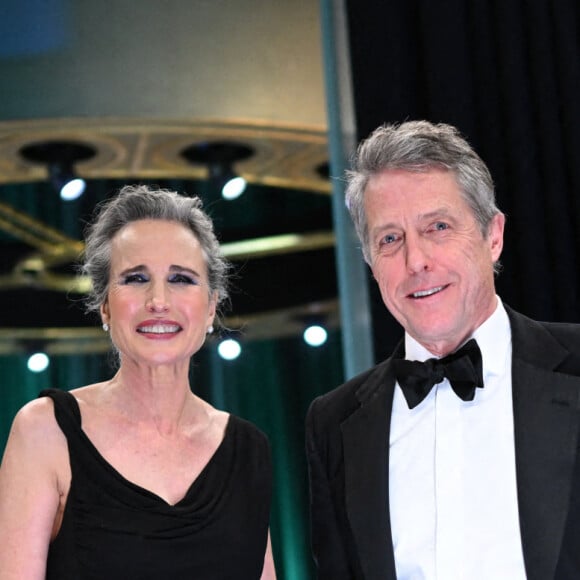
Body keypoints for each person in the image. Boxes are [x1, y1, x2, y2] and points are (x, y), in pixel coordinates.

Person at [306, 120, 580, 580]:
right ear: (371, 264)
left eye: (437, 227)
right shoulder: (333, 424)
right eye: (390, 239)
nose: (416, 262)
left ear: (493, 236)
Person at [0, 185, 276, 579]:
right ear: (105, 306)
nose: (158, 300)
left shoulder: (248, 449)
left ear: (212, 305)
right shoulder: (46, 431)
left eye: (181, 279)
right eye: (135, 278)